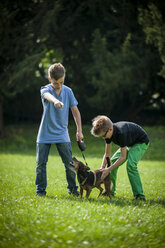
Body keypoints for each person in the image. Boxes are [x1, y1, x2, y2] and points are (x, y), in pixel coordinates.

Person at [35, 63, 83, 196]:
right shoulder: (45, 89)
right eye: (56, 83)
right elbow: (47, 96)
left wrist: (79, 130)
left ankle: (73, 190)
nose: (59, 85)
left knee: (69, 165)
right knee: (40, 165)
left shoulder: (68, 91)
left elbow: (75, 111)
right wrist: (55, 101)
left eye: (62, 82)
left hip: (62, 134)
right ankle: (40, 191)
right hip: (44, 134)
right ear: (50, 79)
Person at [91, 115, 149, 200]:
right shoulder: (107, 132)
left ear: (110, 129)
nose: (104, 138)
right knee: (112, 164)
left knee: (131, 166)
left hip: (140, 142)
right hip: (129, 144)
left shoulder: (121, 133)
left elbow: (123, 157)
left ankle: (139, 195)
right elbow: (107, 154)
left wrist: (108, 169)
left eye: (104, 136)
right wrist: (102, 167)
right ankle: (110, 191)